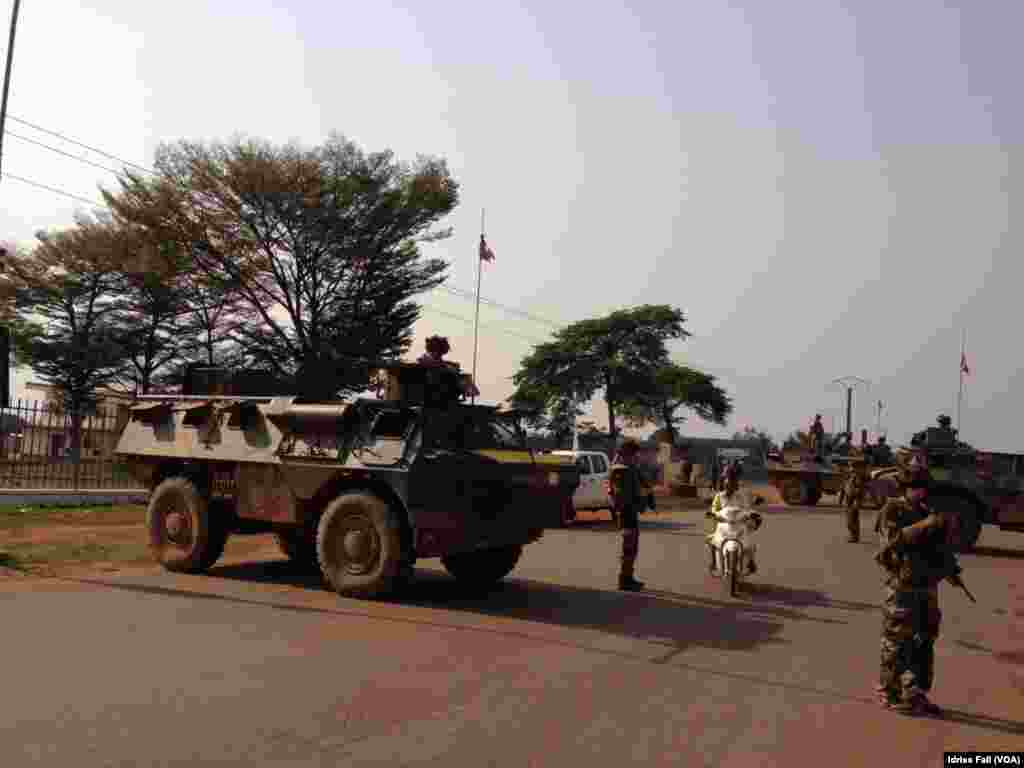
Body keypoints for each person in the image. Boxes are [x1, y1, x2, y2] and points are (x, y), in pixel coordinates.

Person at [874, 453, 961, 716]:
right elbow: (890, 546)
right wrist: (925, 525)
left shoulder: (928, 510)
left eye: (923, 487)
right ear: (905, 486)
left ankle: (915, 693)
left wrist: (950, 568)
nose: (920, 492)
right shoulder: (893, 509)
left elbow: (937, 548)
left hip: (927, 587)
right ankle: (889, 693)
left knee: (923, 642)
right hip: (903, 587)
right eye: (915, 487)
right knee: (896, 642)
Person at [608, 439, 647, 591]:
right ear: (627, 454)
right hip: (626, 513)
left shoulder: (630, 469)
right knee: (629, 547)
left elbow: (639, 488)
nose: (636, 457)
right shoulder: (621, 470)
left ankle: (628, 578)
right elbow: (619, 496)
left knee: (632, 547)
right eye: (634, 454)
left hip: (630, 512)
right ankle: (624, 580)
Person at [706, 463, 756, 574]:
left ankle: (751, 562)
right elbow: (714, 508)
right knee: (711, 540)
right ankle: (714, 562)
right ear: (724, 484)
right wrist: (713, 514)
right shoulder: (719, 496)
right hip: (723, 525)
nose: (729, 487)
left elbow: (747, 508)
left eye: (732, 484)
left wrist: (750, 514)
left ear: (735, 484)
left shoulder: (741, 496)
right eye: (727, 484)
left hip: (738, 525)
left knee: (750, 544)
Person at [844, 452, 870, 543]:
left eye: (852, 466)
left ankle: (854, 536)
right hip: (850, 499)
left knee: (851, 519)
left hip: (854, 499)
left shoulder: (859, 477)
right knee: (851, 519)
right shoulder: (854, 476)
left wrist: (857, 501)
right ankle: (854, 536)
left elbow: (859, 490)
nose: (851, 468)